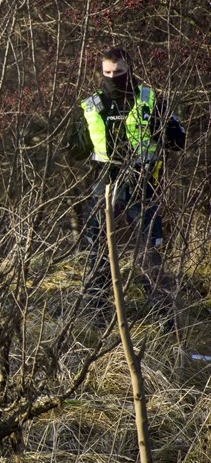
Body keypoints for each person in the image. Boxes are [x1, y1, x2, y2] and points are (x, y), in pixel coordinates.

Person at [77, 47, 185, 307]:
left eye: (118, 72)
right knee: (97, 246)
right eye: (107, 72)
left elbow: (178, 140)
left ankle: (161, 313)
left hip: (142, 181)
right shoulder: (93, 105)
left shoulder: (149, 100)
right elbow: (74, 149)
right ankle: (97, 311)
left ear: (130, 70)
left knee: (150, 250)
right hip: (105, 180)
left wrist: (160, 128)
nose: (112, 77)